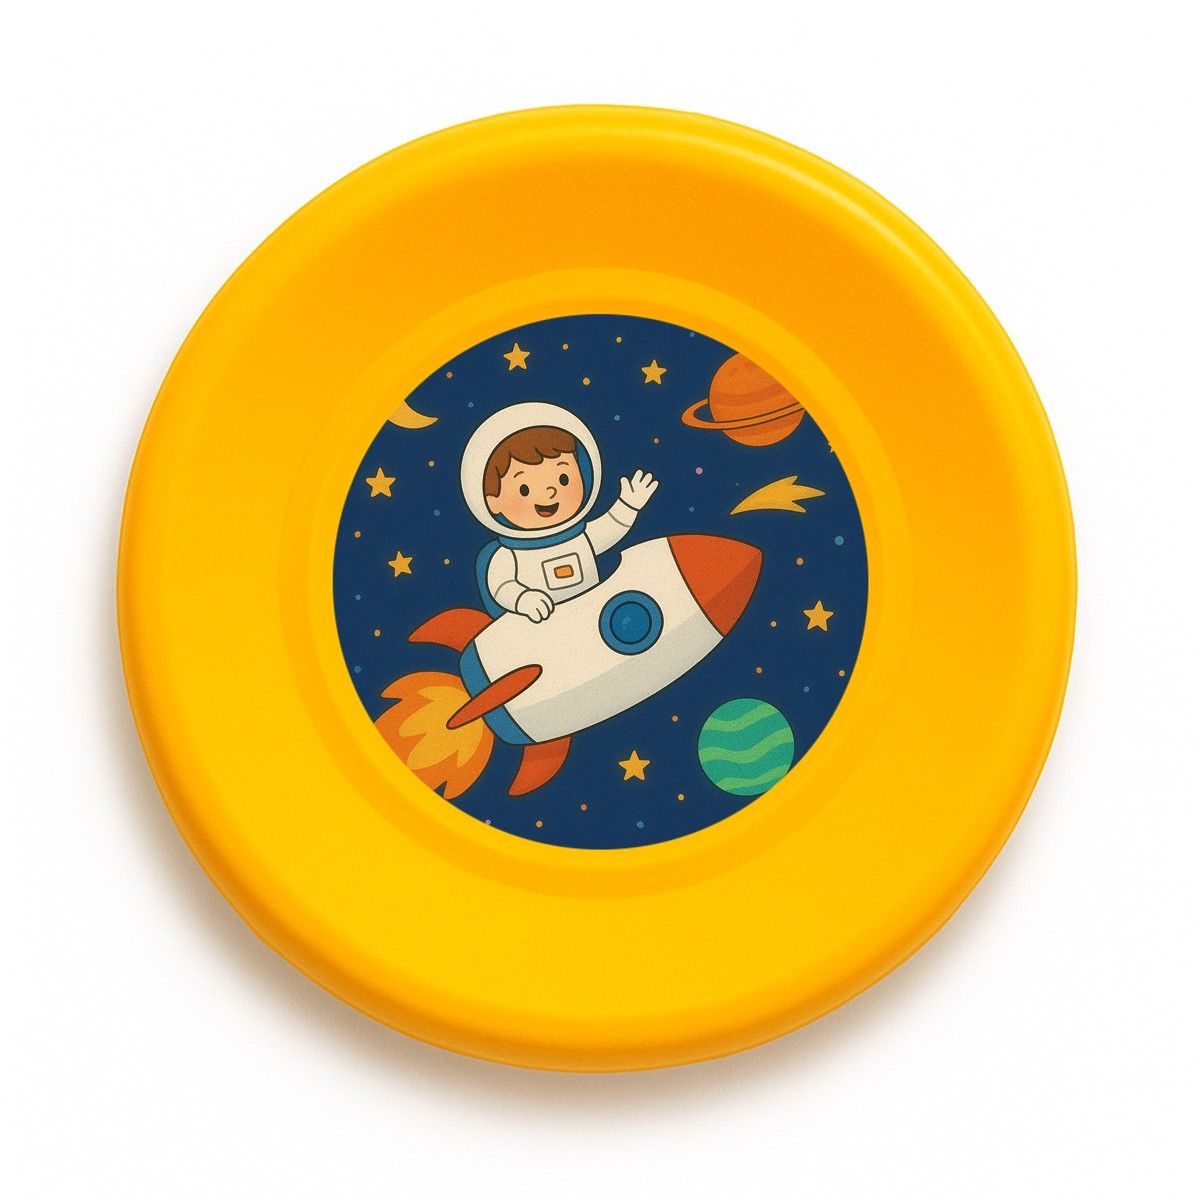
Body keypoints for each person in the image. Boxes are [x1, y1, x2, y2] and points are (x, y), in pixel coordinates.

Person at [459, 402, 658, 621]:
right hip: (542, 629)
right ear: (492, 502)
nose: (550, 492)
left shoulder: (580, 536)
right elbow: (501, 586)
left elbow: (611, 528)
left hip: (592, 617)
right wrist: (523, 599)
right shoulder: (509, 554)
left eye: (563, 479)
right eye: (524, 489)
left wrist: (628, 505)